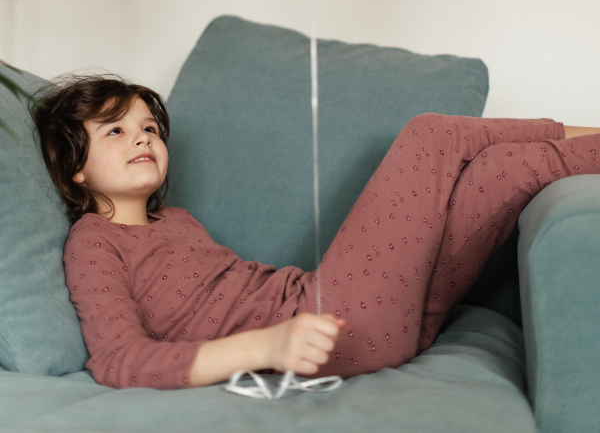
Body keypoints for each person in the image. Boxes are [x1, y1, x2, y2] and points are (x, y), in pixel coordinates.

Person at [33, 74, 600, 390]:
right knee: (429, 135)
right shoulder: (94, 242)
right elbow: (118, 361)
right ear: (74, 167)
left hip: (382, 320)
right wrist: (267, 346)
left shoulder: (176, 221)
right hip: (334, 329)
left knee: (500, 174)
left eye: (149, 127)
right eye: (116, 130)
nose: (142, 138)